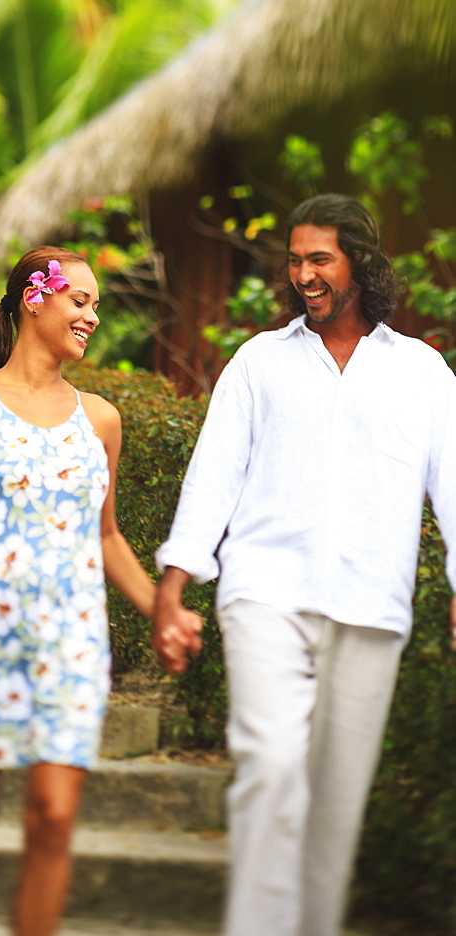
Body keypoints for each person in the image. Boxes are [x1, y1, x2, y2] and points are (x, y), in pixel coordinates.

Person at [152, 194, 456, 936]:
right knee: (273, 766)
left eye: (319, 258)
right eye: (294, 260)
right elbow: (213, 475)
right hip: (265, 594)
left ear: (360, 262)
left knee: (336, 803)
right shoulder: (259, 362)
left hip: (370, 603)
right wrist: (173, 583)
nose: (303, 274)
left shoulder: (424, 374)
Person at [0, 245, 201, 936]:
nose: (93, 316)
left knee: (55, 819)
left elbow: (108, 539)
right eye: (81, 300)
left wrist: (165, 611)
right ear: (35, 299)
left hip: (71, 641)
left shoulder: (101, 419)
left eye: (96, 305)